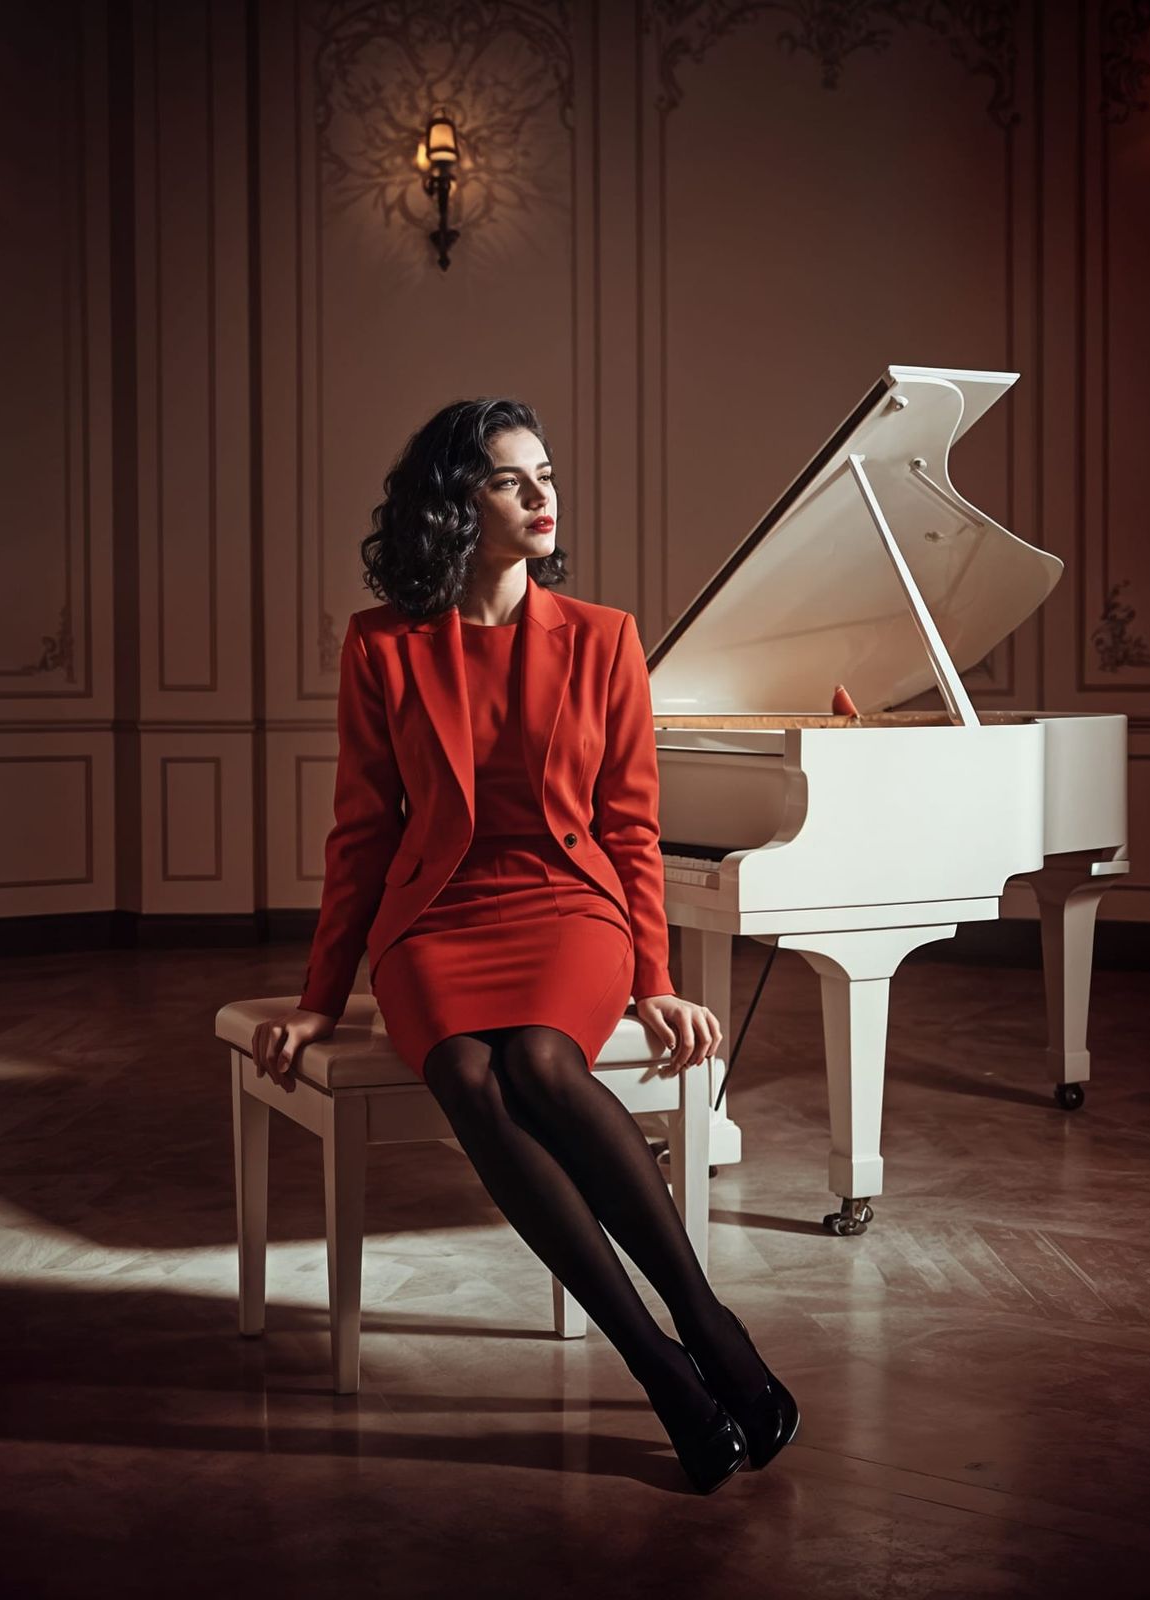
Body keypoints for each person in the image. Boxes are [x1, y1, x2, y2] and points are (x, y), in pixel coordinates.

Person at [252, 398, 797, 1493]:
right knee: (464, 1068)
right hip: (437, 922)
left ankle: (705, 1324)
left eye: (545, 474)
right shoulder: (383, 646)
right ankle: (658, 1367)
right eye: (511, 480)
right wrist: (320, 994)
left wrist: (653, 978)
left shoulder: (602, 636)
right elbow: (363, 828)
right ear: (456, 503)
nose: (543, 497)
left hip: (568, 907)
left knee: (541, 1061)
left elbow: (628, 826)